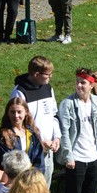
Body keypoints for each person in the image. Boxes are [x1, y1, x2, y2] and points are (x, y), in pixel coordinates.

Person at [57, 68, 97, 193]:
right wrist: (68, 156)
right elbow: (64, 132)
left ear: (91, 85)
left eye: (83, 83)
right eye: (77, 82)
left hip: (93, 157)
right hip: (76, 158)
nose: (79, 85)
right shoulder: (68, 104)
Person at [11, 55, 61, 186]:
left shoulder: (48, 88)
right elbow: (19, 123)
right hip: (31, 151)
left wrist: (57, 137)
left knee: (45, 187)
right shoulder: (20, 92)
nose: (50, 77)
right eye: (48, 74)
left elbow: (53, 115)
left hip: (48, 148)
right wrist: (40, 140)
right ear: (36, 74)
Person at [0, 97, 45, 178]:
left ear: (26, 112)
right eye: (12, 112)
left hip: (32, 178)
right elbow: (6, 163)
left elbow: (39, 159)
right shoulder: (3, 136)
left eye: (19, 112)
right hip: (13, 178)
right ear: (8, 113)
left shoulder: (32, 132)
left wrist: (35, 177)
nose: (16, 115)